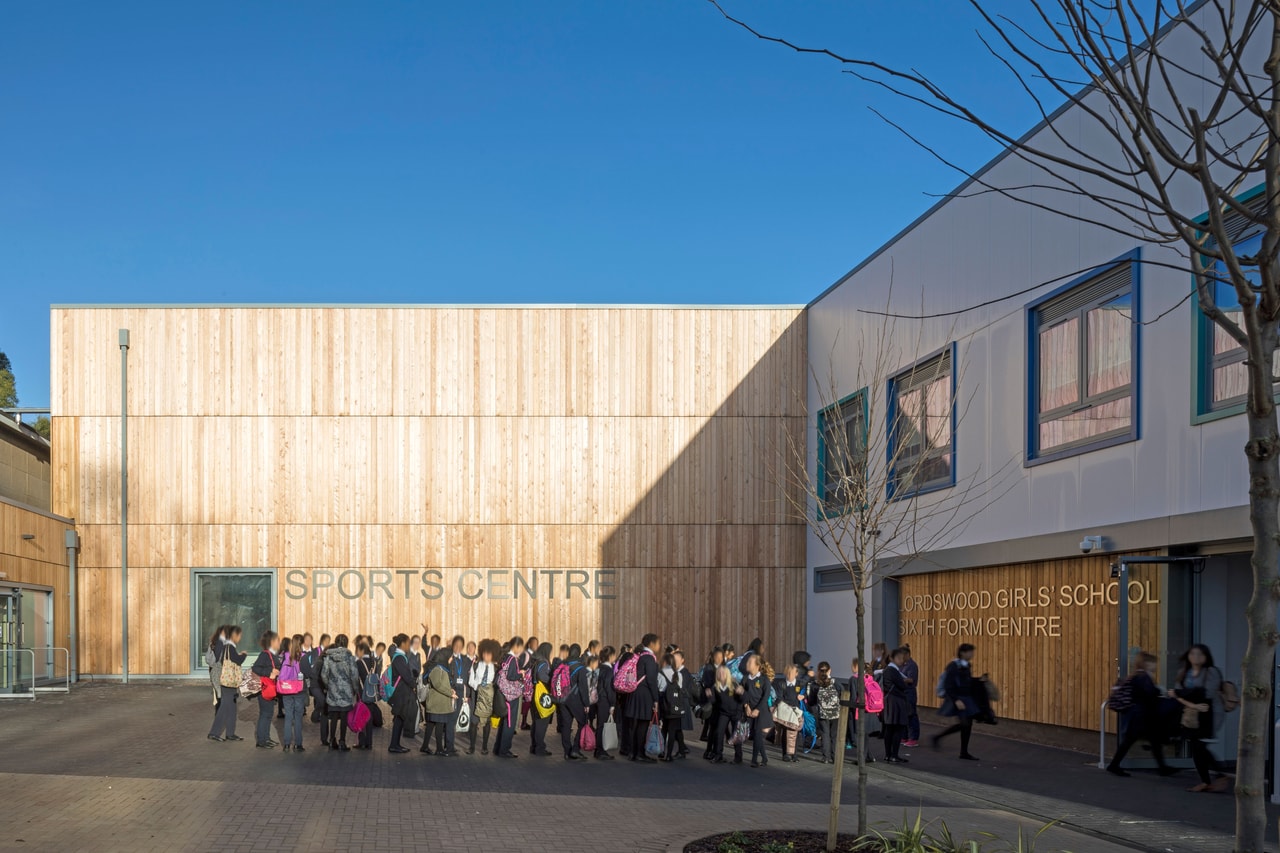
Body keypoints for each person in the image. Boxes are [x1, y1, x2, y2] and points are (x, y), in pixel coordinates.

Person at [1106, 651, 1176, 778]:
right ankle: (1114, 765)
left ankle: (1162, 768)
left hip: (1138, 715)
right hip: (1142, 716)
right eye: (1153, 663)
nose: (1155, 665)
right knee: (1137, 741)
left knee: (1148, 741)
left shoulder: (1137, 676)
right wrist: (1160, 692)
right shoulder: (1144, 677)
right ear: (1146, 664)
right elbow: (1149, 695)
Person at [1171, 644, 1227, 793]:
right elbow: (1178, 694)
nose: (1196, 657)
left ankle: (1210, 779)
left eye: (1200, 654)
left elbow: (1207, 694)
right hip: (1191, 715)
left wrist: (1181, 693)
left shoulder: (1211, 672)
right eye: (1193, 653)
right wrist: (1185, 695)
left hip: (1209, 714)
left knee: (1199, 746)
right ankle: (1214, 777)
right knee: (1198, 747)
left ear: (1206, 657)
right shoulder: (1184, 672)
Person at [932, 643, 980, 761]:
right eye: (970, 652)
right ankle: (939, 737)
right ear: (963, 653)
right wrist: (956, 700)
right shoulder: (953, 666)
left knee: (967, 724)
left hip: (966, 698)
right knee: (965, 724)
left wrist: (979, 680)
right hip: (959, 698)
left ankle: (963, 751)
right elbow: (948, 685)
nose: (972, 654)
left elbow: (966, 681)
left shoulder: (967, 665)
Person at [624, 634, 662, 763]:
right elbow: (651, 680)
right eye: (658, 643)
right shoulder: (649, 658)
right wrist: (656, 699)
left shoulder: (640, 656)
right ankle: (640, 753)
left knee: (636, 724)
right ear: (652, 643)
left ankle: (633, 752)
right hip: (645, 695)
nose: (659, 646)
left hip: (636, 693)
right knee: (643, 724)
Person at [320, 634, 360, 752]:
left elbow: (323, 674)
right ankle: (342, 741)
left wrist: (328, 685)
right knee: (343, 717)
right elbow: (354, 675)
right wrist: (355, 688)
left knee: (333, 717)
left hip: (333, 691)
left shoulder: (329, 657)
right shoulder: (350, 657)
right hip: (346, 691)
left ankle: (332, 740)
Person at [658, 650, 699, 761]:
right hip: (676, 707)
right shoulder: (679, 675)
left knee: (664, 729)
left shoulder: (661, 673)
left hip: (665, 705)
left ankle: (662, 751)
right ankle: (669, 755)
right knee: (673, 730)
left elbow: (659, 689)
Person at [208, 625, 246, 742]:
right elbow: (238, 660)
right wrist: (244, 655)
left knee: (232, 708)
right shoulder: (230, 647)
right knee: (224, 707)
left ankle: (230, 733)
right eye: (239, 635)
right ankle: (214, 733)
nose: (240, 638)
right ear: (234, 635)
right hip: (228, 682)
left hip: (228, 682)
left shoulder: (227, 647)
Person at [421, 648, 458, 756]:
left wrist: (450, 690)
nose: (451, 659)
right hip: (438, 702)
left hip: (438, 702)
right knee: (439, 725)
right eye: (450, 657)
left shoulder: (442, 667)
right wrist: (450, 693)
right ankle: (439, 749)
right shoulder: (437, 668)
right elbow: (438, 684)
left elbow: (443, 683)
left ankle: (425, 746)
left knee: (431, 725)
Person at [494, 636, 527, 758]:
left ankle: (498, 748)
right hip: (511, 696)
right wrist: (521, 674)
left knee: (504, 722)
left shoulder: (506, 657)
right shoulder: (512, 659)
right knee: (510, 723)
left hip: (504, 694)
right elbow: (511, 676)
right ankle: (504, 750)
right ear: (516, 646)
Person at [559, 652, 594, 761]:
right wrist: (586, 704)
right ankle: (575, 750)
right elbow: (583, 688)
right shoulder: (581, 668)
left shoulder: (562, 665)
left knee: (566, 726)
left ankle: (567, 752)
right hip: (575, 700)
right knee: (582, 723)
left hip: (562, 699)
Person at [880, 647, 912, 764]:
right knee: (898, 728)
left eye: (902, 658)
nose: (901, 661)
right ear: (892, 658)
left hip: (889, 702)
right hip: (896, 702)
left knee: (889, 729)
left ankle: (888, 755)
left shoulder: (887, 670)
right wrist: (906, 682)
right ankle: (894, 755)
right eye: (899, 658)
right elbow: (902, 686)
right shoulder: (893, 670)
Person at [250, 630, 281, 749]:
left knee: (269, 714)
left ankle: (266, 738)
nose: (279, 643)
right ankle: (261, 740)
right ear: (272, 641)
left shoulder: (272, 654)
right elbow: (255, 668)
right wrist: (270, 672)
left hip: (270, 689)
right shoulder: (265, 654)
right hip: (265, 689)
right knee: (265, 714)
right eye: (277, 640)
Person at [741, 654, 773, 768]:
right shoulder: (745, 679)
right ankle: (764, 758)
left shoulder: (764, 679)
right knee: (755, 735)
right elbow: (742, 694)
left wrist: (758, 709)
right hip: (750, 711)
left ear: (757, 665)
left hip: (761, 711)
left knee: (758, 735)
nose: (747, 664)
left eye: (750, 662)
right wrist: (746, 706)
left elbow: (765, 696)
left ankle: (754, 760)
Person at [468, 640, 498, 755]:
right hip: (477, 695)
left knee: (486, 722)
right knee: (474, 722)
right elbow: (471, 681)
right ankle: (472, 746)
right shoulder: (476, 665)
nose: (486, 656)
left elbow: (496, 683)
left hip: (488, 697)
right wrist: (478, 687)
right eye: (485, 653)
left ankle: (484, 746)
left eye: (489, 654)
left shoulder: (495, 667)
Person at [386, 633, 414, 753]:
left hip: (401, 692)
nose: (409, 645)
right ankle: (394, 745)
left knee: (399, 718)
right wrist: (413, 684)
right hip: (400, 693)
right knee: (399, 718)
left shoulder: (400, 656)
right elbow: (406, 675)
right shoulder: (399, 657)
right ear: (402, 643)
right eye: (408, 643)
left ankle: (395, 744)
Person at [710, 664, 743, 764]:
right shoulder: (715, 686)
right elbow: (713, 701)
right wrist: (709, 695)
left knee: (735, 734)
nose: (721, 675)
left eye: (723, 673)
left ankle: (738, 757)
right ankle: (718, 755)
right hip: (724, 713)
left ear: (727, 674)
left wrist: (741, 693)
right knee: (719, 732)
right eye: (719, 673)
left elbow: (742, 699)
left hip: (735, 712)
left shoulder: (733, 684)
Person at [772, 662, 804, 762]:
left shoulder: (799, 684)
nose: (790, 676)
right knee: (785, 732)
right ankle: (785, 754)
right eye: (788, 673)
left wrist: (803, 696)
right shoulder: (781, 684)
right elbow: (779, 697)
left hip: (796, 711)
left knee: (795, 733)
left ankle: (794, 754)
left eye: (792, 673)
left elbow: (806, 692)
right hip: (785, 711)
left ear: (796, 674)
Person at [528, 642, 555, 756]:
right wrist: (552, 682)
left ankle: (534, 746)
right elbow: (542, 676)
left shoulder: (535, 661)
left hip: (535, 695)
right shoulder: (544, 662)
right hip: (542, 696)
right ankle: (539, 747)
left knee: (536, 723)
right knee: (541, 723)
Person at [810, 661, 840, 763]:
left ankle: (826, 757)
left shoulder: (815, 684)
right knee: (834, 735)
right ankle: (835, 756)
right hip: (835, 713)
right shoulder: (835, 683)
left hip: (823, 713)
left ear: (818, 671)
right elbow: (842, 693)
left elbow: (811, 701)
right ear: (829, 670)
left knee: (825, 734)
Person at [301, 634, 329, 740]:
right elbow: (309, 666)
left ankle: (317, 715)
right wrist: (311, 676)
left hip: (320, 682)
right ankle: (315, 714)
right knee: (320, 699)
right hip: (313, 681)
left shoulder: (322, 652)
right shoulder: (314, 652)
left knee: (320, 700)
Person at [355, 641, 379, 750]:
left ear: (361, 651)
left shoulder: (359, 662)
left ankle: (362, 742)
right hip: (372, 694)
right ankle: (369, 743)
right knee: (369, 718)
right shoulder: (374, 662)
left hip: (362, 695)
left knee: (361, 718)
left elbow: (355, 679)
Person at [594, 646, 618, 760]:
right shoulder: (608, 670)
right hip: (605, 700)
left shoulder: (599, 667)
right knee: (602, 725)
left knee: (600, 725)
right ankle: (601, 750)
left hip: (598, 699)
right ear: (611, 656)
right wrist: (612, 703)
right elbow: (609, 688)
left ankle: (598, 749)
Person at [700, 647, 724, 747]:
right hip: (712, 697)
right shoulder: (709, 668)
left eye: (721, 657)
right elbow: (708, 683)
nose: (719, 659)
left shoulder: (722, 667)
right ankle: (711, 743)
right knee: (712, 720)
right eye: (717, 657)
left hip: (719, 697)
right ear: (713, 657)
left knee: (711, 721)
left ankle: (707, 737)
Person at [900, 645, 920, 747]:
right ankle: (905, 736)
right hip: (903, 692)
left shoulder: (912, 665)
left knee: (911, 715)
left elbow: (911, 680)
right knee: (904, 715)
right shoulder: (902, 665)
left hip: (909, 692)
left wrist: (901, 679)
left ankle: (913, 738)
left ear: (907, 654)